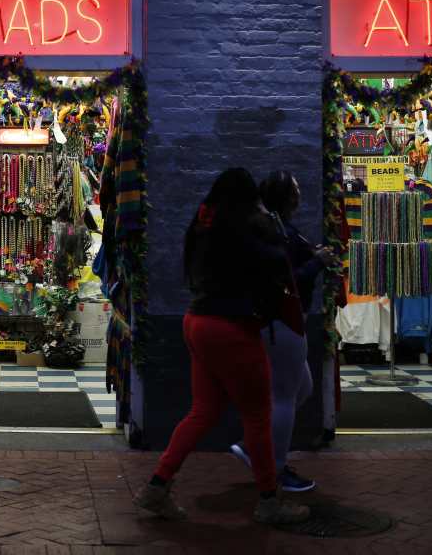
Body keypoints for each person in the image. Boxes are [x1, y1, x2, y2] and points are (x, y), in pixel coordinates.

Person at [133, 168, 311, 525]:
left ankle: (157, 486)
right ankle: (268, 499)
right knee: (259, 415)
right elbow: (278, 261)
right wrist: (268, 222)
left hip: (196, 323)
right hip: (232, 328)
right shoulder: (245, 229)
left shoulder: (204, 227)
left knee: (203, 412)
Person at [228, 170, 335, 493]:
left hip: (284, 321)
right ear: (287, 197)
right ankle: (273, 468)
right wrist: (318, 261)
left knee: (302, 387)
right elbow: (289, 278)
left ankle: (254, 447)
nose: (301, 193)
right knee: (285, 396)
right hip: (282, 322)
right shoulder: (277, 232)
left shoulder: (278, 229)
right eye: (297, 188)